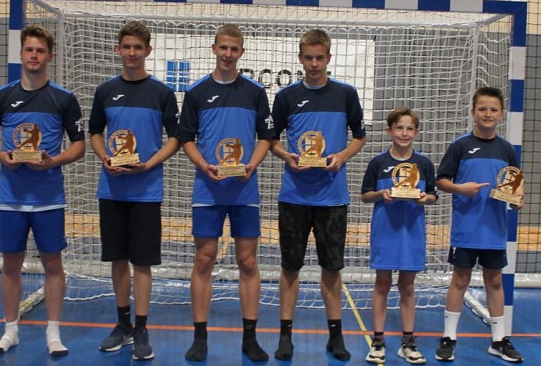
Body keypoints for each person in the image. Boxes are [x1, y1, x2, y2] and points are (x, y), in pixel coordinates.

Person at [0, 25, 85, 357]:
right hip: (11, 198)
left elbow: (79, 146)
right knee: (11, 263)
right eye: (29, 50)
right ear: (21, 53)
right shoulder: (1, 97)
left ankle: (53, 332)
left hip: (49, 199)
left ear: (50, 56)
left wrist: (54, 161)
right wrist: (2, 157)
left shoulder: (64, 99)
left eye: (40, 51)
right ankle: (11, 331)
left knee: (53, 263)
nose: (34, 56)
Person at [176, 24, 273, 362]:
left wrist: (252, 165)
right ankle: (199, 337)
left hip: (245, 190)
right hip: (208, 189)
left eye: (234, 49)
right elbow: (186, 139)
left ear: (241, 52)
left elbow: (266, 137)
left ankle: (250, 338)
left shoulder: (255, 92)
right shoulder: (196, 92)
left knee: (248, 261)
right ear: (214, 48)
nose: (228, 54)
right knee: (204, 260)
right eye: (223, 48)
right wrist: (204, 165)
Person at [270, 29, 367, 361]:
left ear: (328, 58)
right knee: (290, 267)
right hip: (294, 197)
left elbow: (360, 136)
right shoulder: (286, 96)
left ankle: (335, 337)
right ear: (300, 58)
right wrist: (287, 156)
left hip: (332, 198)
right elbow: (270, 139)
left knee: (331, 268)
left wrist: (342, 155)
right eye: (308, 57)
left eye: (319, 57)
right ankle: (285, 335)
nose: (314, 63)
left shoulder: (345, 94)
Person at [88, 21, 180, 361]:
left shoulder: (161, 93)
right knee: (117, 259)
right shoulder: (105, 91)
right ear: (118, 49)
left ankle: (141, 328)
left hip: (146, 192)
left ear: (147, 51)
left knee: (142, 262)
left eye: (137, 47)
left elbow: (176, 137)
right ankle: (123, 324)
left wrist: (150, 163)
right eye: (126, 47)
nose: (131, 52)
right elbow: (95, 132)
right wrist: (105, 157)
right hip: (111, 190)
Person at [435, 87, 524, 363]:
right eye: (482, 109)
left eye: (493, 110)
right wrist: (460, 188)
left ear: (501, 114)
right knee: (460, 279)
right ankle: (449, 337)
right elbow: (441, 180)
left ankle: (499, 340)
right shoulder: (460, 146)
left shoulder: (506, 149)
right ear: (473, 112)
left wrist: (517, 200)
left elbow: (515, 185)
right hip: (466, 229)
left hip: (494, 229)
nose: (488, 114)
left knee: (494, 281)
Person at [360, 107, 437, 365]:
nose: (404, 133)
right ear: (389, 130)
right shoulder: (378, 163)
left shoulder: (424, 164)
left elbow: (433, 195)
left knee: (407, 286)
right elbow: (365, 195)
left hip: (412, 231)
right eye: (399, 128)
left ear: (416, 132)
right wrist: (381, 194)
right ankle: (378, 341)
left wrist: (425, 198)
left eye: (409, 128)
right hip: (385, 231)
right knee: (382, 284)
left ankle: (408, 342)